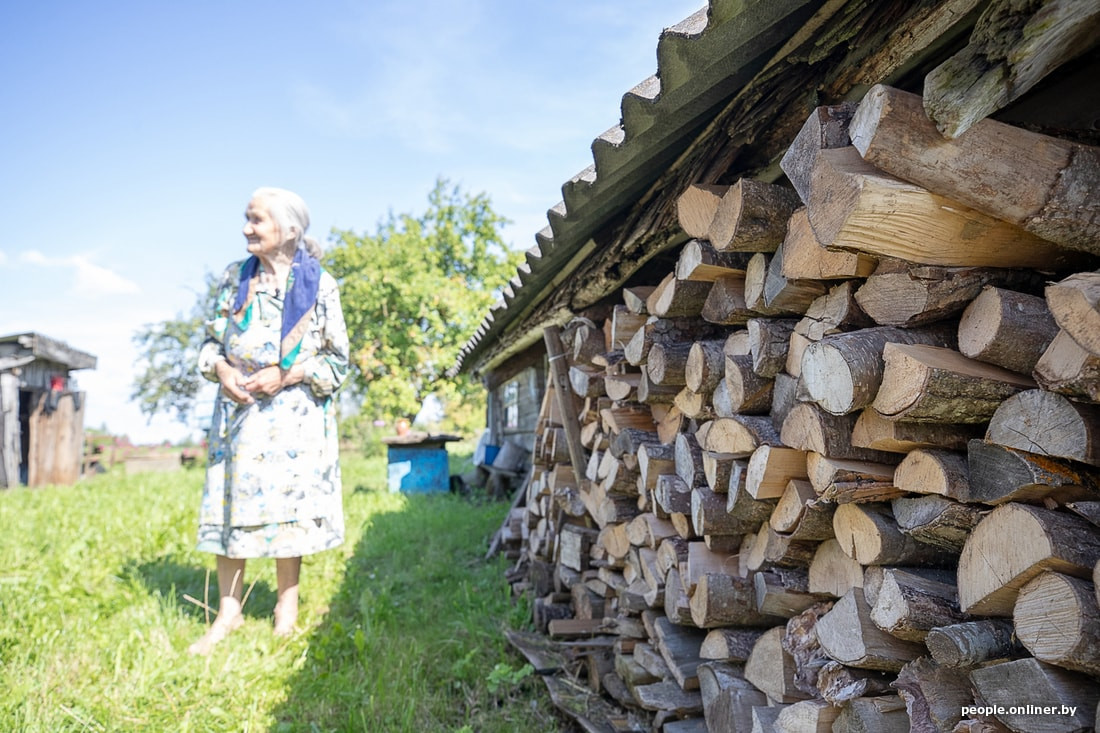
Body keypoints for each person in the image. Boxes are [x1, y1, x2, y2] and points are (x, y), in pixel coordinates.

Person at [188, 187, 349, 655]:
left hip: (293, 422)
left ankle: (286, 612)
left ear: (290, 229)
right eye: (247, 218)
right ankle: (228, 613)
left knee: (287, 511)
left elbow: (337, 361)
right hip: (237, 418)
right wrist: (222, 371)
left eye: (257, 219)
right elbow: (210, 344)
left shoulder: (320, 285)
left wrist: (288, 373)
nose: (246, 228)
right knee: (230, 509)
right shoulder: (234, 278)